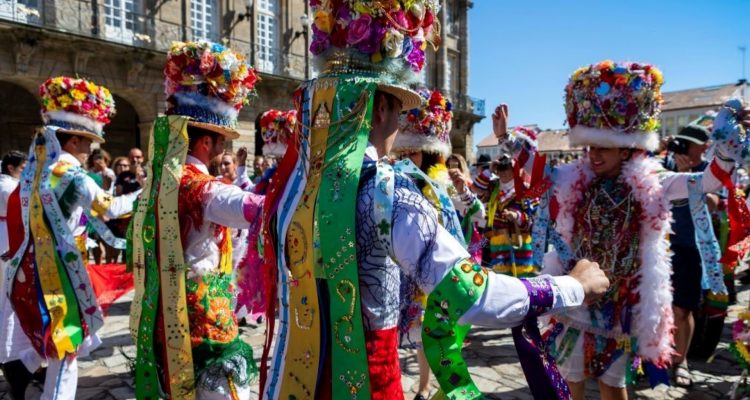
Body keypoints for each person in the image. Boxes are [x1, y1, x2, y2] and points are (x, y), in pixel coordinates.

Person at [259, 2, 610, 399]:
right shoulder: (387, 191)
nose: (399, 126)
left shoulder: (293, 186)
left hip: (292, 381)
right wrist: (570, 287)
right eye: (398, 111)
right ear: (379, 111)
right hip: (365, 382)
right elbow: (470, 294)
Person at [495, 60, 750, 400]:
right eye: (591, 146)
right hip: (578, 295)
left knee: (613, 387)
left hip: (621, 305)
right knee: (569, 381)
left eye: (604, 147)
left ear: (627, 146)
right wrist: (505, 137)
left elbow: (709, 181)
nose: (595, 155)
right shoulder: (576, 178)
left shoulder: (655, 182)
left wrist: (726, 141)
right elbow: (535, 165)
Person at [129, 40, 262, 399]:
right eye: (222, 138)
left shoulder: (158, 182)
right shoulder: (203, 188)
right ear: (205, 142)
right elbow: (253, 208)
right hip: (203, 315)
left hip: (163, 310)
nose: (225, 147)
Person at [6, 76, 141, 400]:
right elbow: (109, 208)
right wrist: (145, 194)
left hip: (33, 265)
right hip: (58, 274)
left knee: (56, 340)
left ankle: (22, 364)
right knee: (66, 347)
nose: (90, 149)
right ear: (72, 142)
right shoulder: (72, 174)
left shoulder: (38, 170)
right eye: (87, 142)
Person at [390, 88, 486, 400]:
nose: (406, 160)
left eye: (412, 153)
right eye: (402, 154)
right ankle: (420, 387)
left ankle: (427, 387)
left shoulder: (444, 190)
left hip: (437, 278)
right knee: (412, 337)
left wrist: (463, 191)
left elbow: (479, 217)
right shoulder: (390, 184)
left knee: (434, 338)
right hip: (402, 275)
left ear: (429, 152)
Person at [663, 123, 718, 386]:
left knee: (682, 308)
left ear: (702, 147)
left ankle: (680, 360)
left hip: (691, 247)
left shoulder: (711, 170)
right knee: (656, 306)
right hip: (660, 246)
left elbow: (714, 204)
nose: (682, 148)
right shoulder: (663, 165)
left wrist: (689, 178)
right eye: (680, 142)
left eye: (688, 143)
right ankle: (653, 355)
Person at [235, 110, 296, 323]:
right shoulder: (271, 177)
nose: (278, 159)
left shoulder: (300, 176)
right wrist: (241, 167)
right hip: (268, 243)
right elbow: (251, 194)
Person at [0, 150, 38, 399]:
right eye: (23, 166)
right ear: (12, 167)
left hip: (4, 237)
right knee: (11, 301)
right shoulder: (11, 187)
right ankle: (11, 356)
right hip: (10, 242)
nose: (26, 171)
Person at [473, 146, 539, 278]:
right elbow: (476, 188)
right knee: (502, 280)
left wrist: (517, 216)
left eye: (507, 168)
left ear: (515, 169)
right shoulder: (493, 187)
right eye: (500, 169)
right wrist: (490, 169)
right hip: (497, 244)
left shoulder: (525, 189)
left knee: (522, 281)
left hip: (519, 245)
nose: (503, 172)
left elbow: (535, 221)